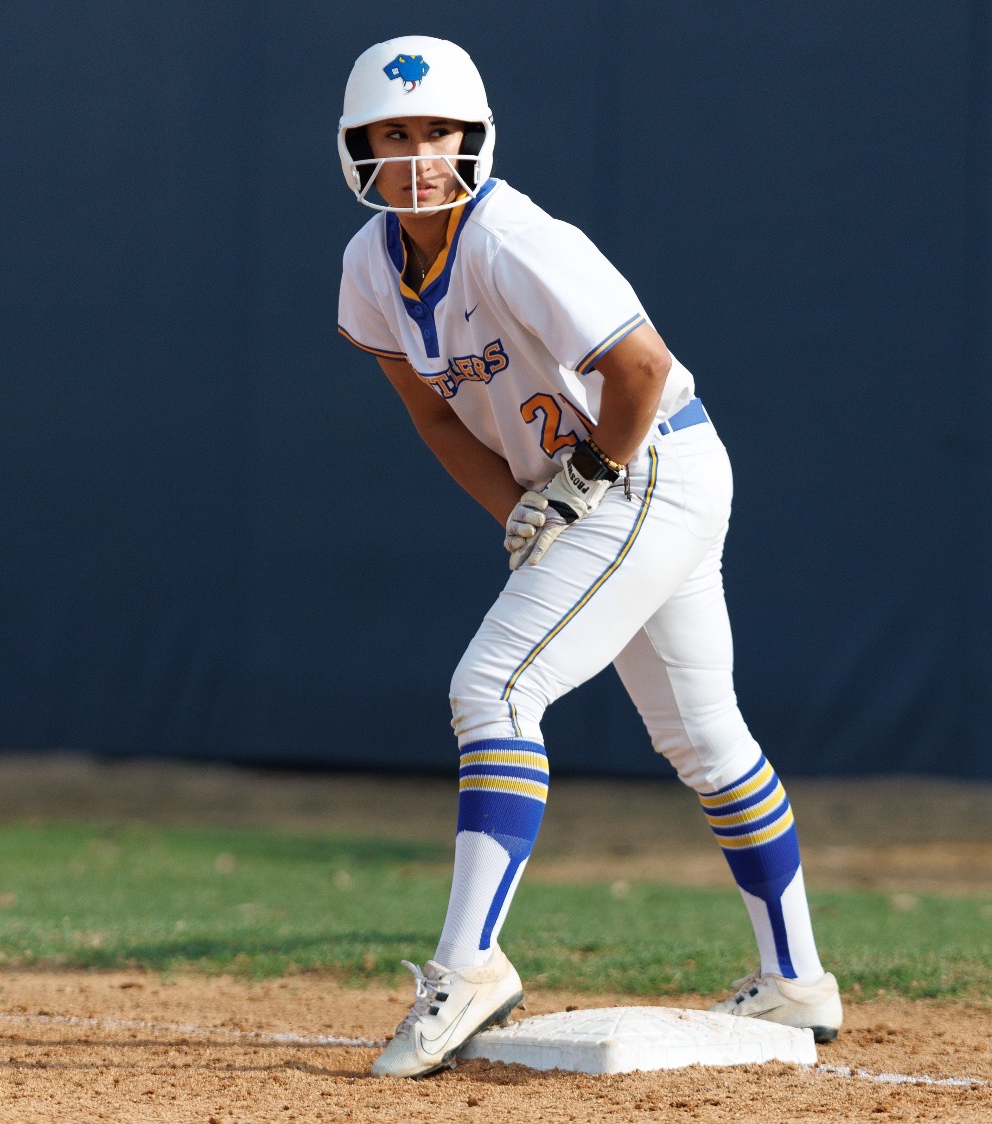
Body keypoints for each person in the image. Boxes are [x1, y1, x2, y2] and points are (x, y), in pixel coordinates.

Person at [334, 35, 841, 1079]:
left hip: (646, 464)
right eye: (395, 133)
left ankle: (467, 962)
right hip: (616, 484)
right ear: (357, 146)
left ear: (472, 139)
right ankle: (793, 977)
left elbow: (641, 366)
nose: (418, 152)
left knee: (492, 689)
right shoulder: (367, 267)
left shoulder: (508, 238)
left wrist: (579, 483)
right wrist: (519, 511)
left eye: (438, 131)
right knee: (702, 737)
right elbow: (435, 419)